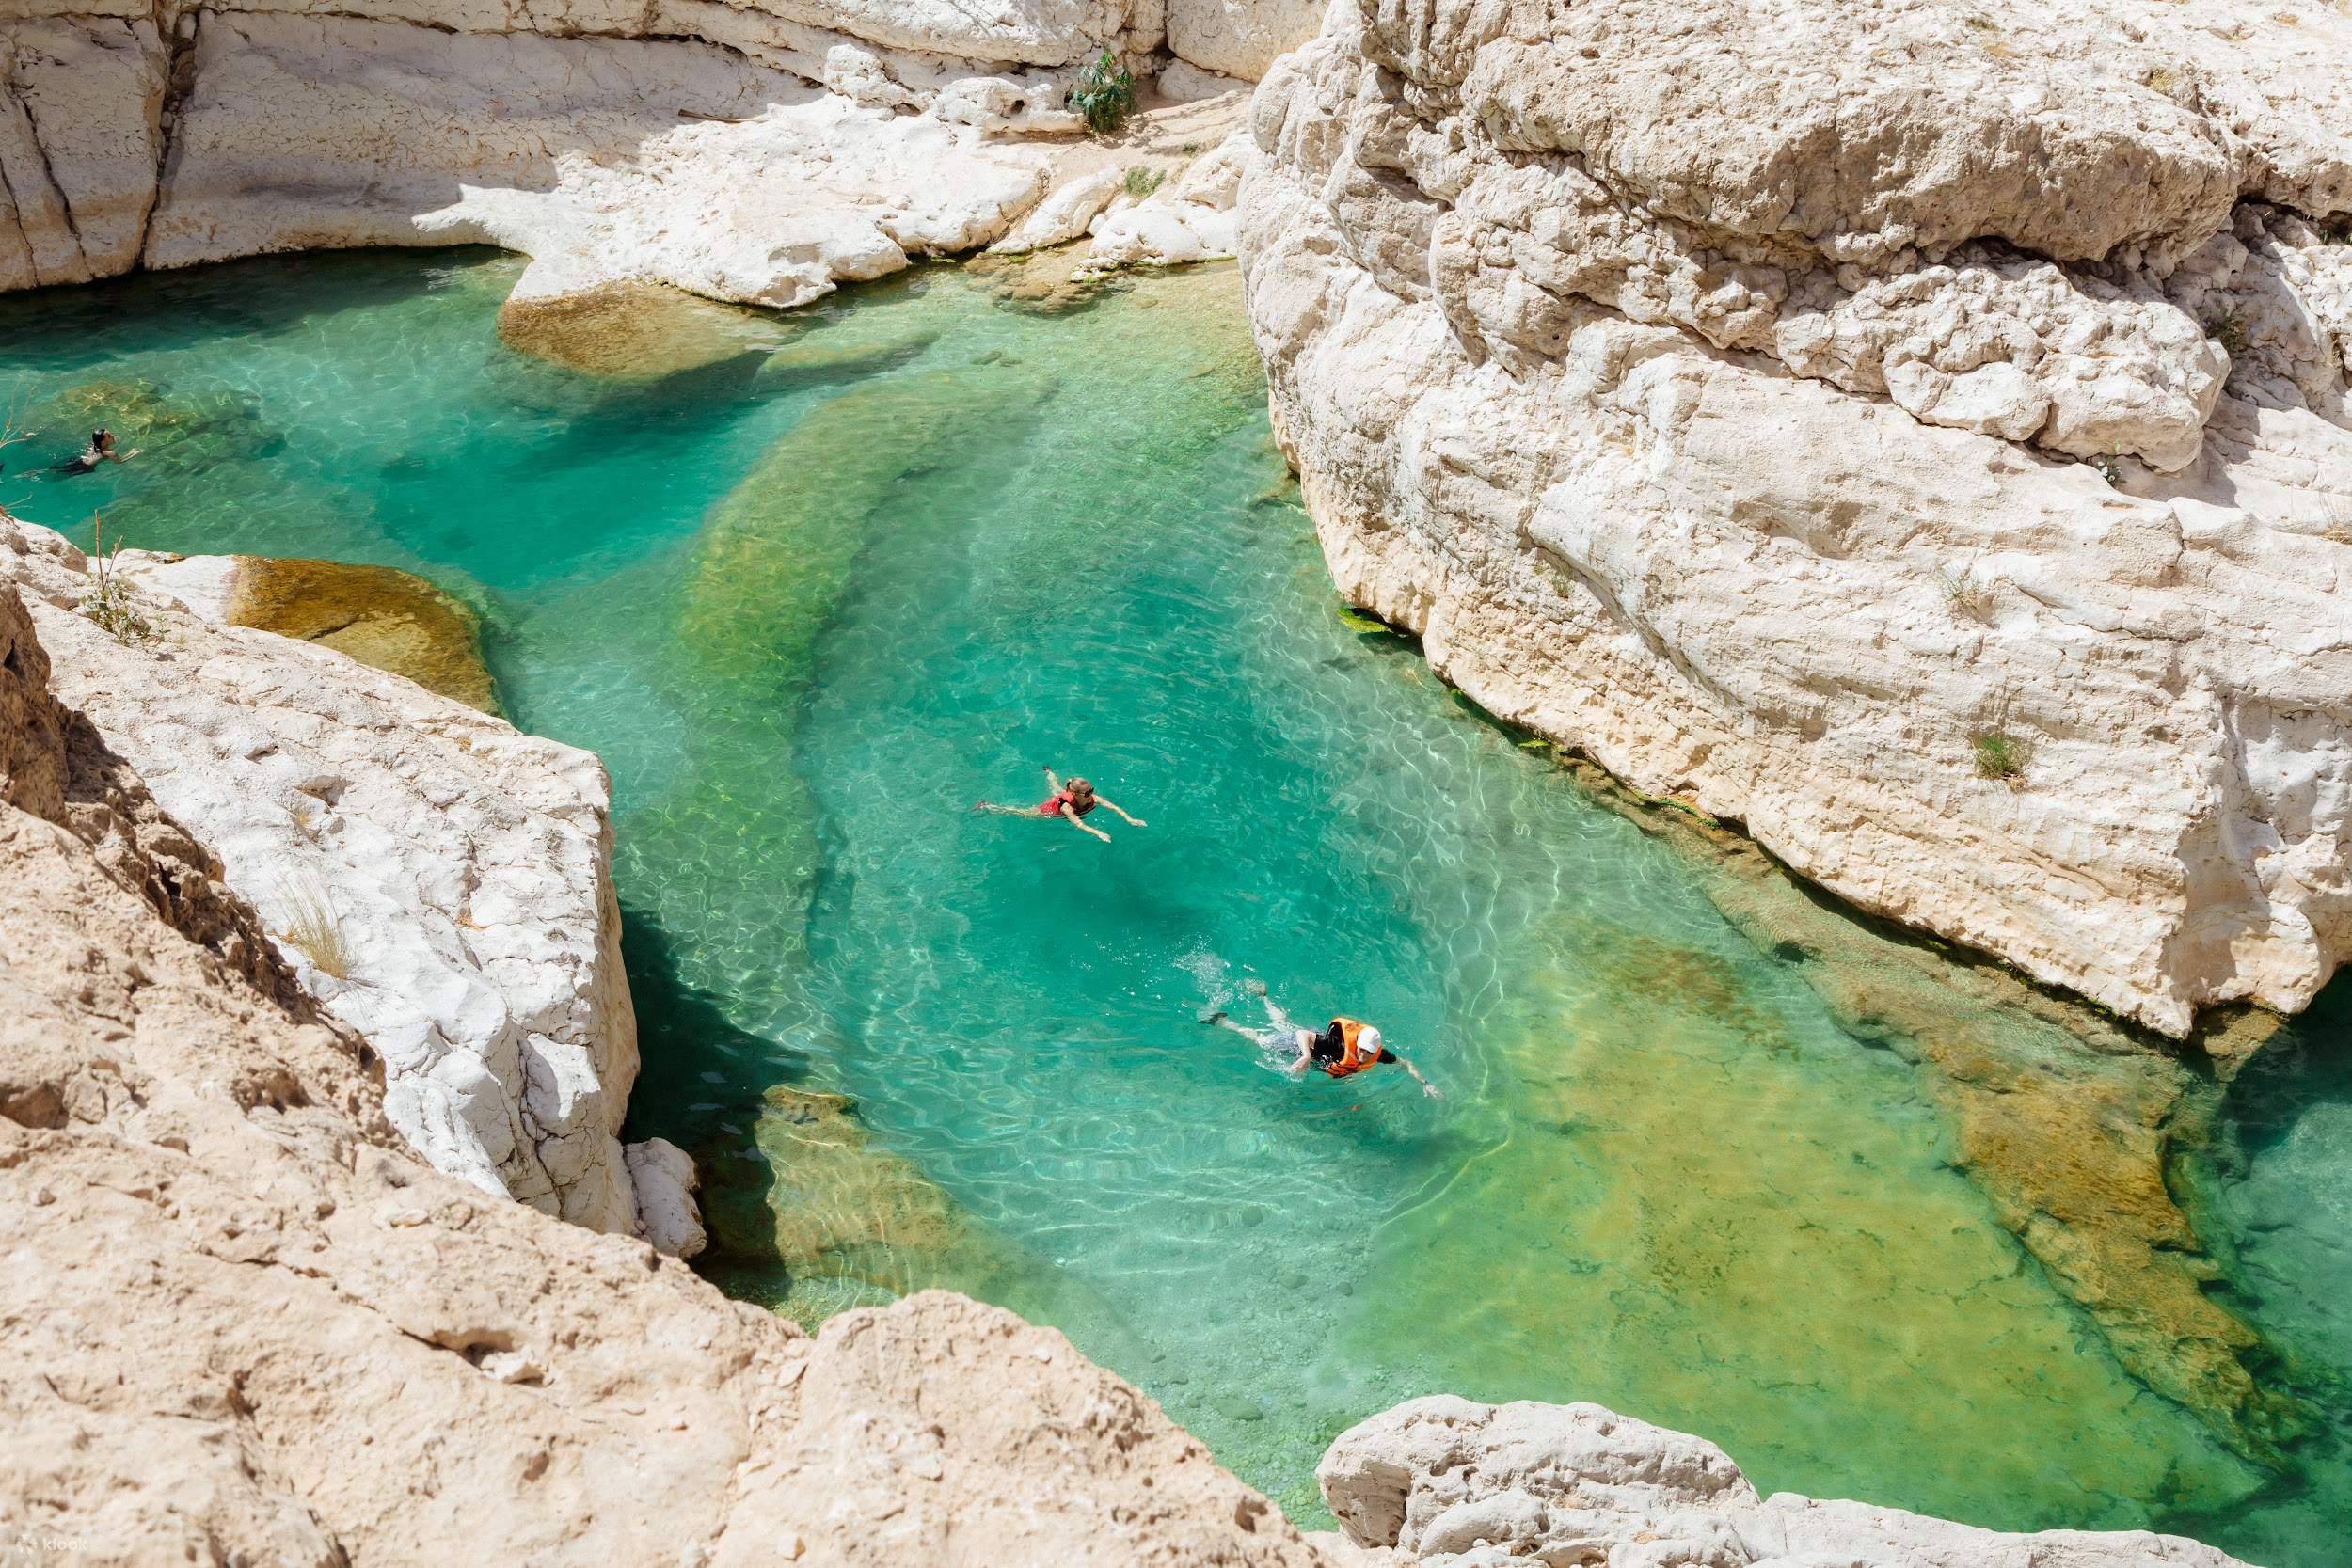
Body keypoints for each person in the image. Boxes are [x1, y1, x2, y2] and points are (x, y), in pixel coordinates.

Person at [1206, 981, 1440, 1097]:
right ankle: (1224, 1022)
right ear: (1356, 1042)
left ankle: (1263, 997)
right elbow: (1302, 1035)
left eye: (1367, 1054)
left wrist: (1425, 1083)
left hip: (1318, 1044)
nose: (1362, 1056)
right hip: (1307, 1047)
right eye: (1360, 1050)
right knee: (1263, 1041)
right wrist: (1307, 1055)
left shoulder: (1378, 1054)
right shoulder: (1340, 1047)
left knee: (1281, 1024)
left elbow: (1406, 1063)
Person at [973, 766, 1146, 844]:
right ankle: (988, 805)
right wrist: (1099, 833)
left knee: (1056, 789)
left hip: (1064, 796)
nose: (1091, 794)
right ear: (1076, 794)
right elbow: (1078, 823)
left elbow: (1113, 806)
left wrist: (1130, 819)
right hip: (1048, 810)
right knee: (1023, 813)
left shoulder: (1090, 797)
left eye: (1091, 790)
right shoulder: (1066, 806)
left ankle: (1048, 772)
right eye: (1087, 792)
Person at [61, 428, 134, 473]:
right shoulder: (110, 453)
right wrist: (132, 453)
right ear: (103, 442)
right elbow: (119, 462)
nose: (113, 436)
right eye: (109, 436)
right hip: (85, 467)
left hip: (79, 460)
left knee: (60, 470)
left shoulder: (94, 445)